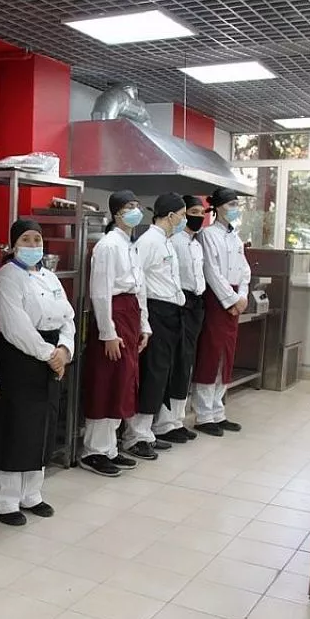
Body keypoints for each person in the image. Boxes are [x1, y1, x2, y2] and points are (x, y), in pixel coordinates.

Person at [0, 220, 75, 526]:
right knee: (16, 426)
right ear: (14, 245)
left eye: (37, 239)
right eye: (26, 239)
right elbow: (15, 327)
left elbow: (68, 317)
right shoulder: (6, 277)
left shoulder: (50, 276)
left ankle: (31, 494)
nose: (33, 244)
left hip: (51, 356)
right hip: (19, 358)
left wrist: (64, 349)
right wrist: (50, 355)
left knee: (43, 425)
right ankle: (4, 500)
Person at [80, 190, 149, 477]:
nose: (135, 211)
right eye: (129, 206)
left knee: (123, 382)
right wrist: (107, 332)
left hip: (130, 314)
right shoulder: (108, 245)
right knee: (106, 382)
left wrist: (145, 325)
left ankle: (109, 447)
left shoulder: (130, 245)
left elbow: (140, 288)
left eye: (137, 205)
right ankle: (93, 451)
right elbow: (100, 291)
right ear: (116, 212)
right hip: (113, 316)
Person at [126, 193, 187, 458]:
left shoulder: (167, 242)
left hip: (171, 312)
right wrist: (144, 322)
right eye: (182, 215)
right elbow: (138, 282)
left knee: (162, 374)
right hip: (155, 311)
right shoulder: (149, 241)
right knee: (152, 373)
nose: (184, 220)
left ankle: (147, 432)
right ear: (170, 215)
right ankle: (135, 436)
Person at [192, 188, 250, 436]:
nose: (235, 208)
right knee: (211, 355)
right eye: (231, 204)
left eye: (237, 204)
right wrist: (231, 299)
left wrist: (243, 296)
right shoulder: (207, 235)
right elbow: (211, 272)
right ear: (217, 207)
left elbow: (245, 271)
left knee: (226, 357)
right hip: (216, 301)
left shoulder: (236, 238)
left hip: (234, 301)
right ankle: (204, 415)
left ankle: (218, 411)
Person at [153, 195, 206, 443]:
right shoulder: (173, 241)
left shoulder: (196, 244)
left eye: (201, 213)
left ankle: (177, 419)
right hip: (178, 304)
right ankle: (164, 423)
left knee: (186, 364)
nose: (197, 217)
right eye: (191, 212)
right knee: (175, 364)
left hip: (195, 304)